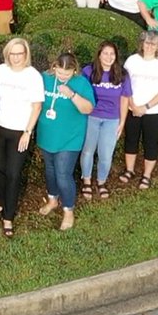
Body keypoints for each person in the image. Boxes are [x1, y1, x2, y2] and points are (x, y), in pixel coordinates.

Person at [0, 37, 44, 237]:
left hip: (20, 131)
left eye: (20, 53)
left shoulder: (33, 75)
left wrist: (28, 132)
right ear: (7, 54)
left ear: (26, 54)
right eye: (13, 53)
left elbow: (37, 106)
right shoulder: (0, 71)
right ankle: (1, 204)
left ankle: (8, 217)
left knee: (13, 173)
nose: (17, 57)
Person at [35, 53, 95, 231]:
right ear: (54, 67)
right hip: (47, 134)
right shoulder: (45, 78)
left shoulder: (81, 83)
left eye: (66, 74)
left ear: (74, 70)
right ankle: (53, 199)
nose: (62, 76)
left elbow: (88, 108)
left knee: (63, 174)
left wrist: (72, 95)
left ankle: (68, 210)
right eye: (59, 72)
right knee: (50, 170)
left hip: (70, 137)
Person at [121, 30, 158, 190]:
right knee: (131, 139)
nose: (150, 46)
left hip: (154, 111)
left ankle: (146, 175)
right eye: (147, 42)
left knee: (151, 142)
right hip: (132, 107)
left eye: (154, 44)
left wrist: (146, 107)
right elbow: (125, 85)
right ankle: (129, 170)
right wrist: (133, 105)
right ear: (142, 44)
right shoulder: (132, 60)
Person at [79, 41, 131, 201]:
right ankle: (86, 180)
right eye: (105, 53)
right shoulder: (88, 71)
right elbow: (81, 93)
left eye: (112, 54)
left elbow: (124, 99)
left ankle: (101, 182)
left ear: (116, 56)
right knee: (88, 151)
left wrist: (122, 122)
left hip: (112, 119)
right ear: (99, 54)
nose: (108, 57)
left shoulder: (122, 74)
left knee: (106, 154)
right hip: (91, 117)